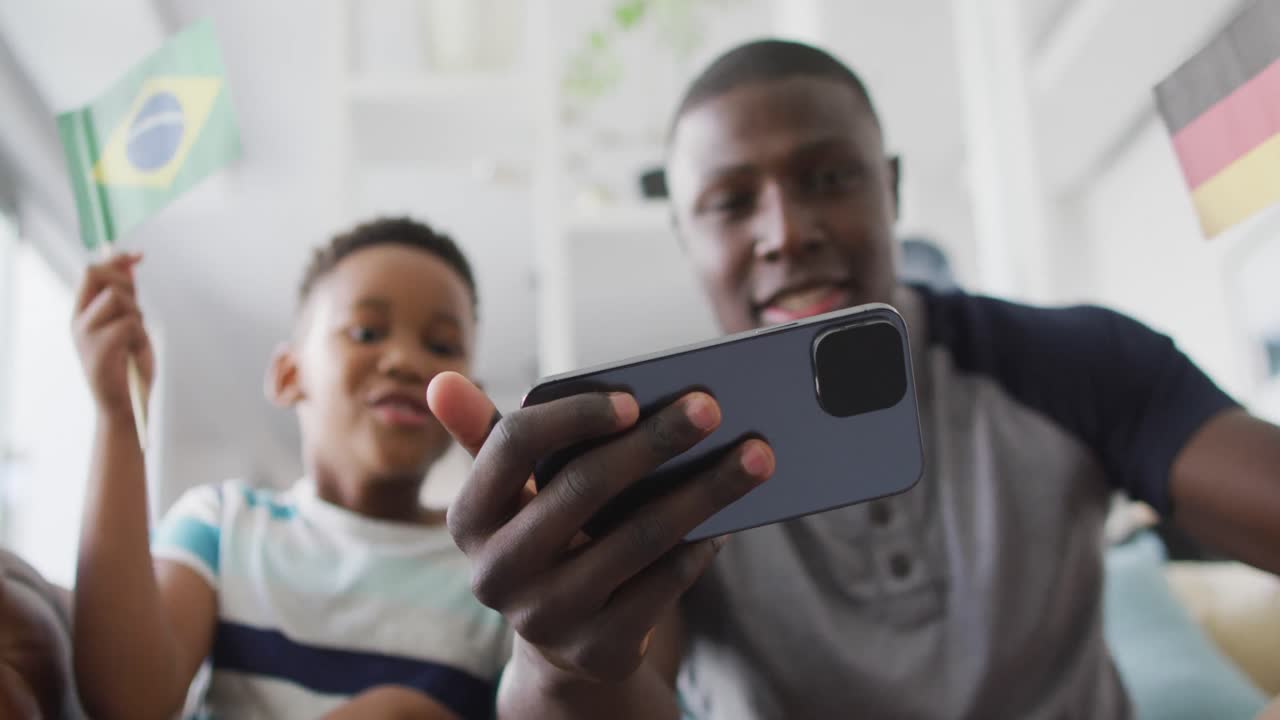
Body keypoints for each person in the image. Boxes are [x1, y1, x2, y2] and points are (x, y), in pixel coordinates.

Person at [426, 40, 1280, 719]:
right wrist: (553, 663)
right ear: (687, 239)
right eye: (730, 202)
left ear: (892, 188)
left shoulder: (1078, 362)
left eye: (827, 178)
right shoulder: (660, 449)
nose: (786, 232)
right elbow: (617, 692)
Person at [72, 218, 510, 719]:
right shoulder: (222, 525)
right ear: (288, 376)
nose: (406, 362)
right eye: (366, 331)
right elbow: (128, 700)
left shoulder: (493, 574)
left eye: (441, 346)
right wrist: (117, 417)